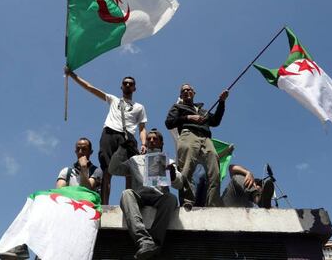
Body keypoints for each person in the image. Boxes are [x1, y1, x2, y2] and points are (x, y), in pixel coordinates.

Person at [0, 137, 102, 260]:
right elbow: (59, 191)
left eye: (84, 149)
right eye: (78, 149)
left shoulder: (97, 171)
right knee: (37, 198)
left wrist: (84, 168)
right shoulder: (66, 171)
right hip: (67, 202)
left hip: (85, 205)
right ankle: (21, 245)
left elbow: (88, 188)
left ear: (90, 152)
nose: (80, 152)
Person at [65, 68, 147, 204]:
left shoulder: (139, 107)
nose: (127, 85)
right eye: (125, 83)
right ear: (121, 86)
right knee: (106, 170)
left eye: (130, 84)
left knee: (131, 171)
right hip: (109, 133)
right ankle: (105, 206)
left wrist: (143, 143)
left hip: (128, 138)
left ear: (134, 88)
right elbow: (90, 88)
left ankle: (129, 204)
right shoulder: (113, 99)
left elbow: (142, 128)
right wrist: (72, 75)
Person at [108, 129, 182, 260]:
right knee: (126, 193)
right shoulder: (135, 160)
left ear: (161, 143)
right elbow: (113, 169)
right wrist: (122, 149)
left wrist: (173, 175)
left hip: (159, 196)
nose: (152, 141)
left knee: (171, 198)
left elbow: (179, 184)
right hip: (140, 196)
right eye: (149, 139)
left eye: (155, 139)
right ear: (146, 142)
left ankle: (154, 243)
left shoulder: (169, 161)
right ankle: (143, 240)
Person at [165, 83, 228, 209]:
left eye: (189, 90)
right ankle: (187, 200)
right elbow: (169, 123)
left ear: (194, 93)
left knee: (214, 169)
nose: (186, 91)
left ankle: (213, 203)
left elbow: (215, 121)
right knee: (186, 168)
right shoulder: (177, 106)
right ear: (181, 95)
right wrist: (188, 117)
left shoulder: (203, 111)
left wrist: (221, 102)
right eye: (184, 91)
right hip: (188, 134)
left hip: (206, 137)